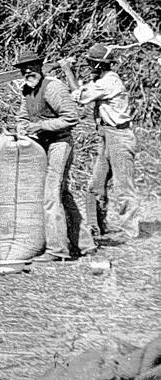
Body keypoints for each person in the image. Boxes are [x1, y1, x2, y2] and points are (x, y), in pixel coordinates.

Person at [13, 48, 93, 260]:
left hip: (60, 144)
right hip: (43, 146)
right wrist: (21, 129)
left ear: (40, 67)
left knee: (50, 196)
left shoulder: (53, 87)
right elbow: (22, 117)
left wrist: (40, 126)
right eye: (23, 68)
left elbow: (71, 117)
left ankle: (57, 250)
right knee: (62, 194)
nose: (27, 71)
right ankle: (85, 244)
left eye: (31, 67)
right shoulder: (27, 90)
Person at [60, 44, 138, 240]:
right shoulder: (102, 80)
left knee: (123, 186)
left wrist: (67, 70)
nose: (88, 66)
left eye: (91, 63)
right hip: (106, 135)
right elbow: (84, 89)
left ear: (99, 65)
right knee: (96, 183)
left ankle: (129, 231)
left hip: (119, 137)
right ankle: (97, 227)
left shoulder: (109, 82)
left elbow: (79, 96)